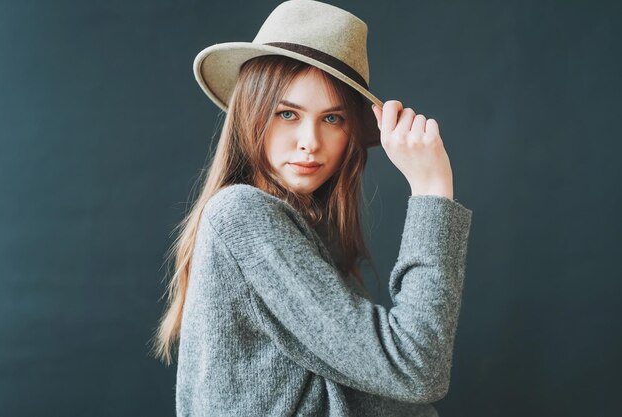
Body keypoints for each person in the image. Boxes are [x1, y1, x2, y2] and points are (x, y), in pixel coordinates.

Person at [151, 1, 473, 416]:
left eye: (333, 119)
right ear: (251, 114)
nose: (310, 141)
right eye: (287, 113)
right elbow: (415, 366)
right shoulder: (242, 215)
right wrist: (431, 190)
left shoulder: (304, 228)